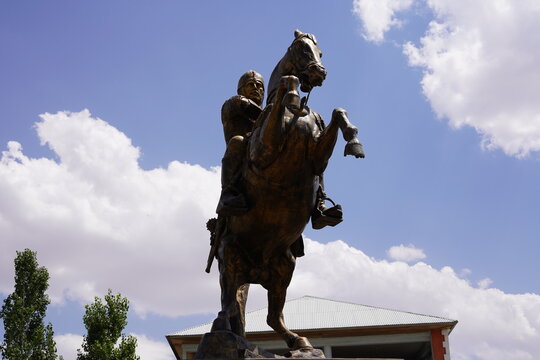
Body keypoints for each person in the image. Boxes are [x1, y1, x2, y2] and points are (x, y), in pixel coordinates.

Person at [216, 70, 264, 216]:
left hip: (264, 152)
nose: (256, 88)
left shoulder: (270, 115)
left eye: (260, 85)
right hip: (243, 155)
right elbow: (246, 106)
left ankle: (319, 200)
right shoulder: (233, 103)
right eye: (251, 84)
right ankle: (228, 193)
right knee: (237, 141)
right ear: (241, 89)